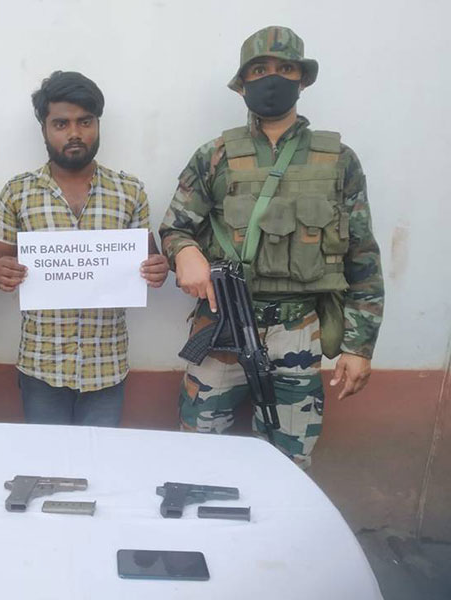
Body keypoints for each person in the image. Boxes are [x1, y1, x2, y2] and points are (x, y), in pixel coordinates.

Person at [159, 26, 384, 467]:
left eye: (285, 69)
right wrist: (184, 253)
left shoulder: (339, 160)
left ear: (302, 79)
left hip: (299, 327)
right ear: (242, 84)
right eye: (260, 70)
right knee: (196, 453)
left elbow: (362, 257)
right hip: (221, 322)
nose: (273, 78)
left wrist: (359, 347)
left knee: (289, 461)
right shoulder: (215, 155)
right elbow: (174, 228)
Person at [0, 71, 168, 426]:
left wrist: (157, 268)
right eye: (61, 123)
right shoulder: (17, 192)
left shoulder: (129, 191)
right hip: (41, 364)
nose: (74, 133)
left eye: (85, 121)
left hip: (106, 365)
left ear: (97, 124)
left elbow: (149, 258)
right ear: (44, 129)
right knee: (47, 457)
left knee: (100, 456)